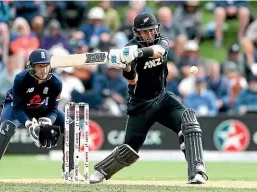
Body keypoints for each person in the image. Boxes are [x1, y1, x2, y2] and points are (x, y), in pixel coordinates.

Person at [89, 12, 208, 184]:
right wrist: (125, 64)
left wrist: (136, 53)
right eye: (143, 32)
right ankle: (102, 170)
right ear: (137, 33)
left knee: (189, 121)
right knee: (129, 149)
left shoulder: (161, 42)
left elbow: (158, 52)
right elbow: (132, 80)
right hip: (140, 104)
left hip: (162, 97)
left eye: (151, 31)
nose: (148, 35)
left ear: (156, 30)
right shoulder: (130, 48)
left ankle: (197, 170)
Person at [0, 49, 65, 182]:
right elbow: (17, 109)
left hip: (41, 107)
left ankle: (70, 170)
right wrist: (29, 125)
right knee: (7, 126)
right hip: (17, 107)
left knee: (70, 124)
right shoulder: (21, 79)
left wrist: (48, 121)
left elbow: (53, 109)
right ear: (31, 67)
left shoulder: (56, 82)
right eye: (40, 66)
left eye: (46, 66)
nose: (44, 70)